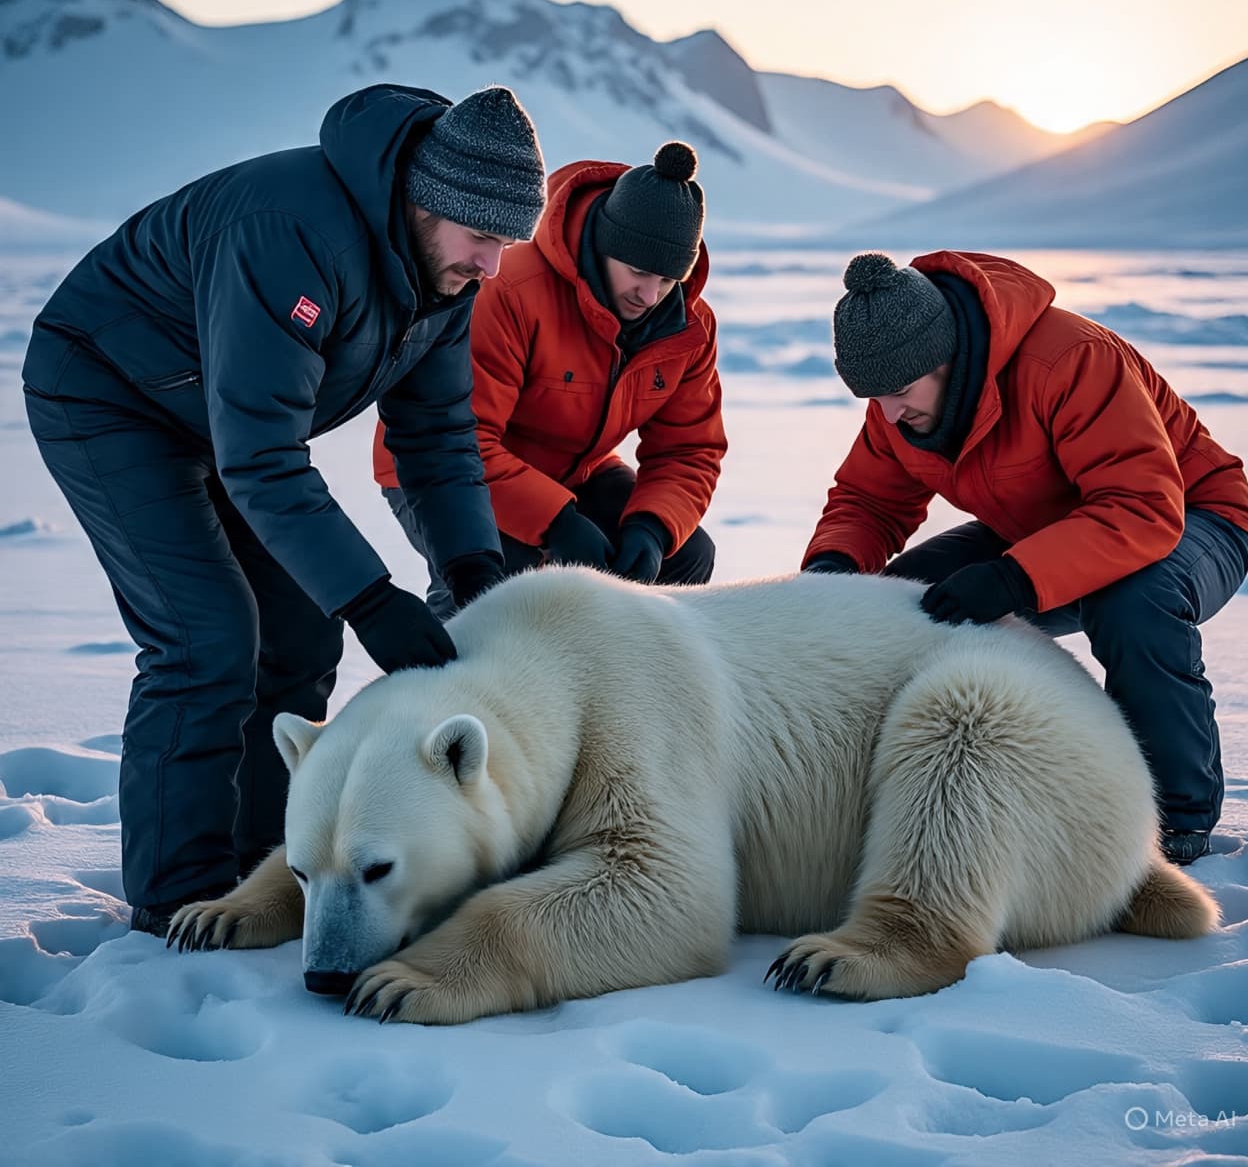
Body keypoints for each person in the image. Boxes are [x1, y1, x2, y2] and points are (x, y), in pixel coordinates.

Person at [22, 82, 547, 934]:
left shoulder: (444, 280)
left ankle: (264, 865)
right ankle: (179, 899)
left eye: (507, 243)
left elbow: (440, 434)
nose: (493, 265)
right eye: (482, 237)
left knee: (301, 631)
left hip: (217, 412)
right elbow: (262, 456)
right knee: (205, 637)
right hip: (108, 392)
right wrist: (375, 599)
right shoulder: (289, 234)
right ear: (426, 202)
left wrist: (471, 570)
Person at [802, 251, 1248, 866]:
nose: (885, 415)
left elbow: (1140, 505)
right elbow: (868, 501)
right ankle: (901, 789)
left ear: (946, 361)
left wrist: (1016, 578)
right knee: (901, 599)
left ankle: (1176, 825)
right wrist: (832, 571)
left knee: (1132, 606)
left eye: (899, 395)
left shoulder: (1069, 359)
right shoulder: (900, 397)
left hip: (1192, 516)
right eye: (872, 400)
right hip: (1043, 527)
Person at [374, 141, 726, 611]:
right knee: (500, 579)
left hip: (572, 472)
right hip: (436, 465)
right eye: (638, 272)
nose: (649, 295)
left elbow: (689, 449)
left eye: (667, 281)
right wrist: (557, 522)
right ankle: (445, 681)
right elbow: (460, 440)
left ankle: (610, 681)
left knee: (684, 557)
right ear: (604, 245)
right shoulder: (510, 290)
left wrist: (653, 527)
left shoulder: (687, 327)